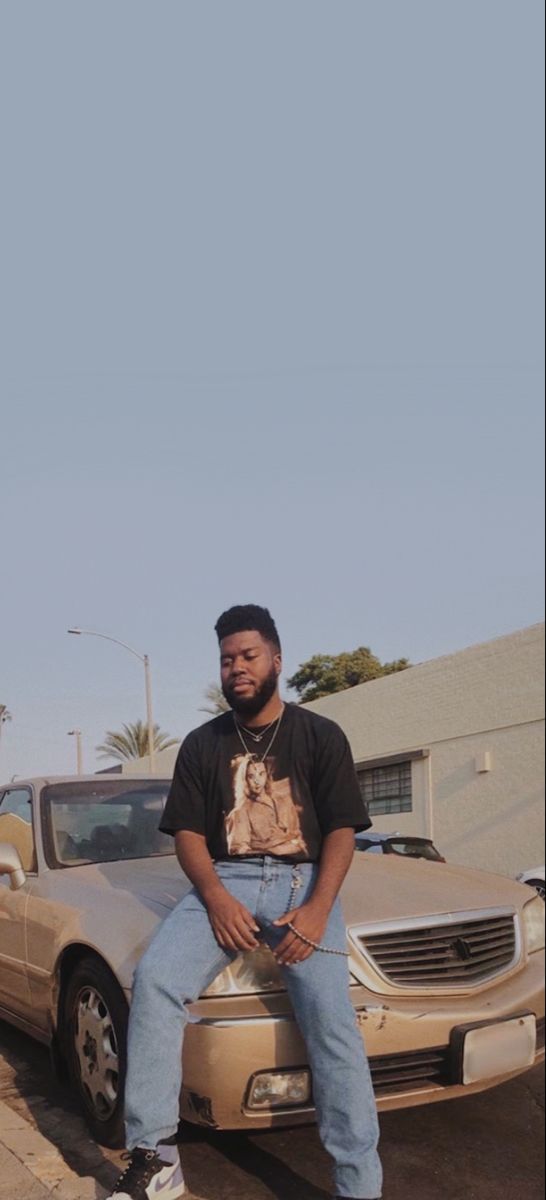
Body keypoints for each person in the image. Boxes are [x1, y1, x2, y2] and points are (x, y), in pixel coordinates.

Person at [106, 605, 383, 1200]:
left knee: (332, 1023)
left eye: (248, 656)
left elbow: (340, 829)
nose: (236, 668)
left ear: (277, 661)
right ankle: (154, 1157)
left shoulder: (320, 735)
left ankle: (359, 1185)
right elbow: (185, 834)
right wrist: (213, 898)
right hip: (225, 878)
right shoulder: (204, 745)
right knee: (155, 980)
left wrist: (315, 909)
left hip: (301, 884)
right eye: (227, 659)